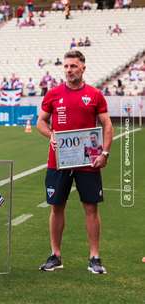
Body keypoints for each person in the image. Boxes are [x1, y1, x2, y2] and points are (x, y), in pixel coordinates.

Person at [37, 50, 113, 274]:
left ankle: (95, 257)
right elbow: (40, 121)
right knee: (56, 206)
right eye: (67, 66)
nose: (69, 70)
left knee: (91, 207)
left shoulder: (95, 94)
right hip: (58, 161)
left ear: (83, 68)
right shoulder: (53, 94)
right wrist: (51, 134)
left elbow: (107, 125)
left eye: (74, 66)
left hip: (87, 161)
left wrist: (105, 153)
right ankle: (55, 255)